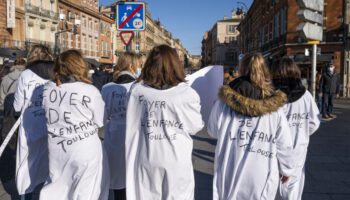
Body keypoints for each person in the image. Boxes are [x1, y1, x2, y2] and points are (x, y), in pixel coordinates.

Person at [207, 53, 294, 200]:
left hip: (230, 169)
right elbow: (284, 143)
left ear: (241, 70)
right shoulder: (275, 105)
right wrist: (286, 169)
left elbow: (212, 131)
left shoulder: (223, 102)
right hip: (261, 171)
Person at [125, 45, 204, 199]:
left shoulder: (137, 91)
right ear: (175, 64)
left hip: (146, 156)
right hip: (176, 159)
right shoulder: (187, 93)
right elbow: (195, 127)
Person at [38, 49, 109, 200]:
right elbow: (100, 120)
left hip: (58, 148)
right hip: (85, 149)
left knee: (59, 188)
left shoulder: (47, 89)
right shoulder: (89, 91)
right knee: (86, 192)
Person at [272, 57, 320, 200]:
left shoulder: (274, 96)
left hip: (276, 153)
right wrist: (302, 133)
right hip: (299, 150)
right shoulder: (306, 95)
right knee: (294, 191)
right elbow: (315, 122)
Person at [13, 44, 54, 199]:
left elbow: (17, 106)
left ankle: (27, 195)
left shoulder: (26, 75)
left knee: (26, 165)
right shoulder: (55, 73)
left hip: (30, 126)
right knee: (48, 165)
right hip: (50, 124)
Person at [101, 52, 140, 200]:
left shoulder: (107, 88)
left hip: (113, 136)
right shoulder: (139, 87)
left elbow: (102, 118)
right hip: (134, 135)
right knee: (133, 178)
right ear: (131, 66)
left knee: (118, 181)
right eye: (138, 65)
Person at [0, 57, 26, 200]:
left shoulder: (6, 78)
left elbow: (2, 97)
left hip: (7, 113)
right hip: (22, 115)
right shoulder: (27, 78)